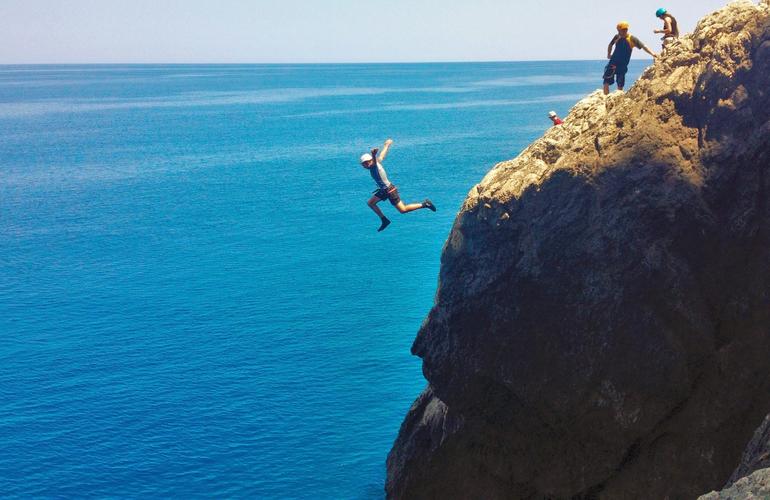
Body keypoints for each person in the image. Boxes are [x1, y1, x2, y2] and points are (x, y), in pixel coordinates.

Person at [360, 139, 436, 232]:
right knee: (370, 203)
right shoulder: (377, 163)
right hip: (384, 190)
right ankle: (384, 220)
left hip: (389, 191)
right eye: (364, 164)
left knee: (403, 210)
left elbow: (375, 161)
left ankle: (425, 204)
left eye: (366, 163)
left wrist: (373, 154)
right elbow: (382, 156)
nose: (365, 166)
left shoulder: (374, 165)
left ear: (370, 161)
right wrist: (387, 145)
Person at [603, 21, 657, 95]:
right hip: (613, 62)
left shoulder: (632, 38)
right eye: (623, 30)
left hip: (622, 65)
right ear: (618, 30)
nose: (625, 31)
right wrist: (609, 54)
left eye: (626, 29)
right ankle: (606, 98)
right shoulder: (617, 37)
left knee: (620, 84)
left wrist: (652, 53)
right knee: (606, 80)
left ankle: (618, 98)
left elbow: (643, 46)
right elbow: (610, 45)